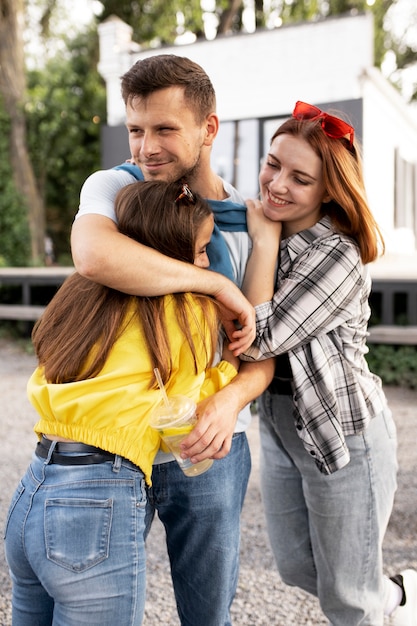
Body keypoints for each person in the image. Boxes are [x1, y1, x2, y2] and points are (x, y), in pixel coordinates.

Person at [70, 54, 274, 626]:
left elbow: (259, 350)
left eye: (165, 129)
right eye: (136, 130)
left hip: (211, 444)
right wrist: (211, 281)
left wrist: (228, 400)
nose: (145, 148)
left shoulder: (246, 222)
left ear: (209, 129)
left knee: (209, 613)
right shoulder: (115, 187)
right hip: (116, 443)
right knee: (99, 607)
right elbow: (92, 255)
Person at [4, 179, 241, 626]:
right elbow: (183, 412)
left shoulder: (81, 298)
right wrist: (228, 365)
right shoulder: (184, 311)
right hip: (94, 502)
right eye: (202, 250)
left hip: (34, 487)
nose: (207, 262)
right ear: (171, 253)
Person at [237, 101, 417, 626]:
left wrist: (264, 243)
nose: (276, 184)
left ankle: (381, 601)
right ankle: (393, 595)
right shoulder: (267, 227)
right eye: (274, 164)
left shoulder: (337, 255)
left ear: (328, 190)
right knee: (296, 567)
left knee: (346, 599)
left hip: (344, 434)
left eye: (300, 178)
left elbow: (256, 339)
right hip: (279, 425)